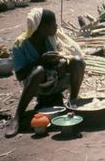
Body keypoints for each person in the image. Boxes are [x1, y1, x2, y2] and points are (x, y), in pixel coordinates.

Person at [6, 8, 85, 137]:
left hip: (56, 79)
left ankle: (72, 104)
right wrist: (40, 60)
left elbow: (64, 54)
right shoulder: (20, 45)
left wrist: (61, 63)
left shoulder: (52, 38)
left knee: (78, 62)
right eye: (54, 23)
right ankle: (18, 117)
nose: (57, 26)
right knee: (38, 71)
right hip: (36, 85)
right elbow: (20, 75)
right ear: (44, 27)